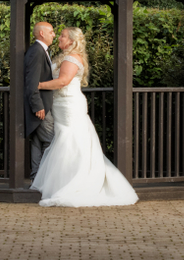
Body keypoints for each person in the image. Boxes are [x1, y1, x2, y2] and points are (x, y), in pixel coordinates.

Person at [30, 27, 138, 207]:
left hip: (69, 106)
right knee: (63, 140)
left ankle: (76, 182)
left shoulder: (72, 58)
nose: (59, 38)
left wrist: (38, 85)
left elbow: (63, 81)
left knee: (71, 140)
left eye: (63, 36)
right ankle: (63, 181)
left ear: (72, 41)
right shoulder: (64, 57)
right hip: (61, 106)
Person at [24, 21, 56, 180]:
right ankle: (43, 178)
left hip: (43, 104)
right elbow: (32, 82)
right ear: (42, 33)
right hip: (41, 106)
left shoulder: (39, 50)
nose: (54, 35)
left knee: (37, 141)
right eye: (51, 32)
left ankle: (36, 178)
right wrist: (37, 106)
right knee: (52, 140)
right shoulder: (37, 51)